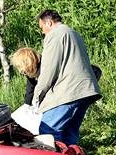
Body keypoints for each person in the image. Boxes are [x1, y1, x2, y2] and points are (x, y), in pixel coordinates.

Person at [31, 9, 101, 146]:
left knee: (48, 132)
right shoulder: (74, 33)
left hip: (69, 92)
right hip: (85, 91)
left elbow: (49, 70)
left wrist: (37, 96)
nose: (42, 32)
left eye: (42, 28)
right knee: (69, 133)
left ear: (49, 23)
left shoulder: (54, 35)